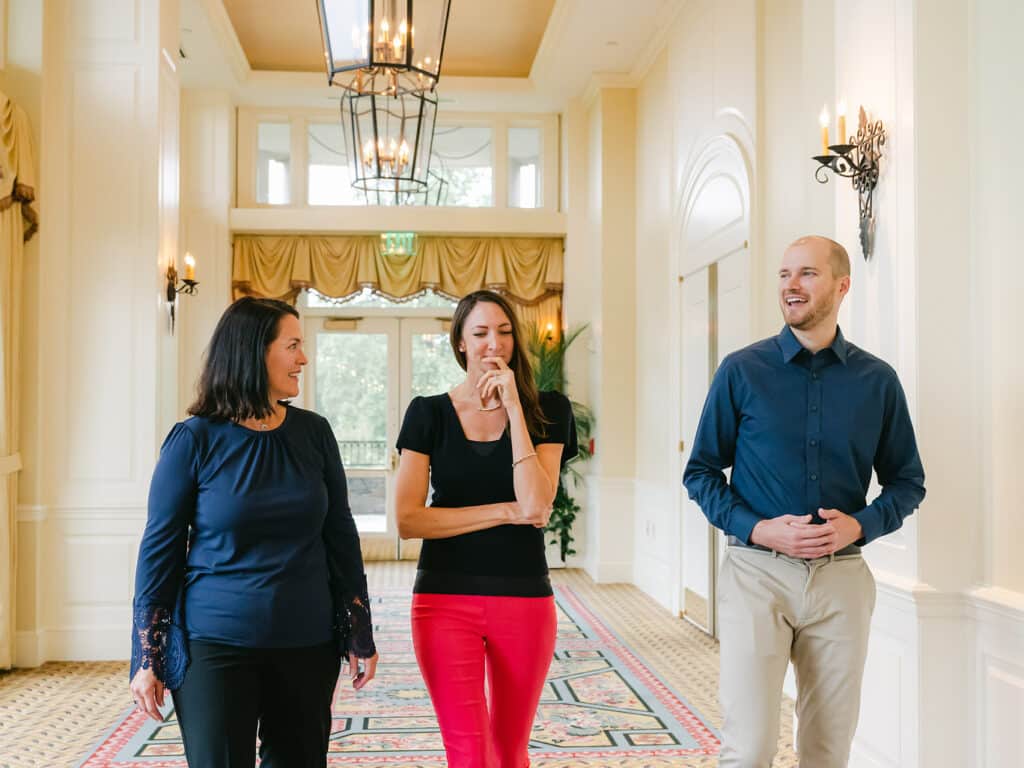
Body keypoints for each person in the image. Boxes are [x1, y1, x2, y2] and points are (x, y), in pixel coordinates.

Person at [683, 236, 926, 768]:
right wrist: (759, 529)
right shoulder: (741, 371)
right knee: (747, 749)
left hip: (841, 581)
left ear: (842, 286)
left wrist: (858, 526)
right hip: (756, 574)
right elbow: (699, 473)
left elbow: (908, 482)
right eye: (784, 274)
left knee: (826, 750)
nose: (791, 285)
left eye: (807, 274)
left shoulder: (877, 381)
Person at [128, 297, 379, 768]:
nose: (304, 358)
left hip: (307, 641)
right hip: (214, 645)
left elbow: (340, 536)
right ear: (253, 352)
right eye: (293, 345)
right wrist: (147, 655)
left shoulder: (315, 433)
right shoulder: (194, 440)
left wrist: (358, 630)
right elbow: (159, 552)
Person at [394, 290, 577, 768]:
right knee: (470, 754)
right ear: (460, 343)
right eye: (479, 334)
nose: (492, 344)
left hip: (524, 599)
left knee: (510, 752)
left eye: (503, 332)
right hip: (443, 600)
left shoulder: (549, 410)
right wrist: (502, 511)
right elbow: (409, 519)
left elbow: (536, 505)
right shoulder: (428, 413)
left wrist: (517, 408)